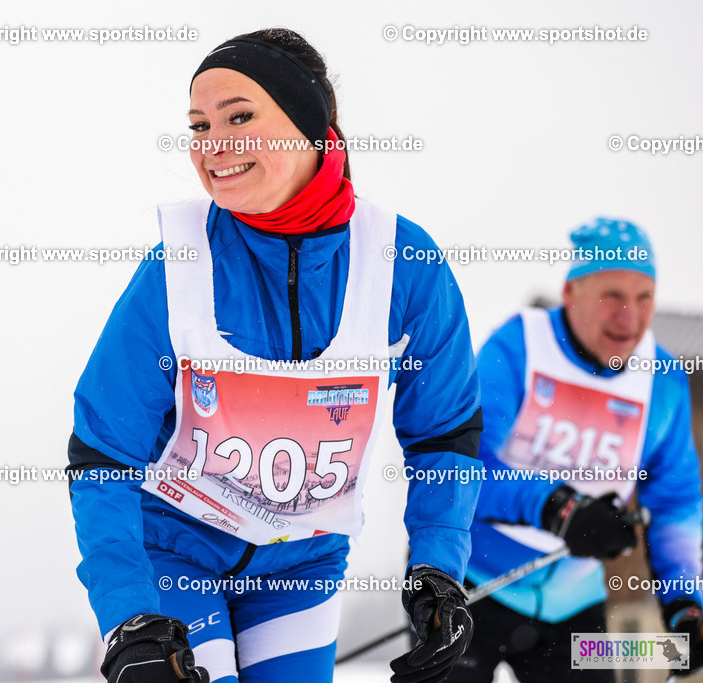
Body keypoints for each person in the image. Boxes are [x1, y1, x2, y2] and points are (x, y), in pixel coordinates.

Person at [67, 28, 484, 683]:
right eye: (200, 126)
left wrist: (437, 570)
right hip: (176, 549)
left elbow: (444, 434)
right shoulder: (180, 262)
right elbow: (101, 451)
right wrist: (131, 617)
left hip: (301, 562)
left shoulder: (403, 261)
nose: (214, 146)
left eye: (240, 117)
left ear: (311, 126)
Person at [455, 219, 703, 681]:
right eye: (612, 296)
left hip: (576, 602)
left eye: (644, 297)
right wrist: (560, 508)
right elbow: (464, 467)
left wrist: (685, 601)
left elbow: (675, 501)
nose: (629, 316)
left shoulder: (662, 381)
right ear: (571, 293)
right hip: (473, 583)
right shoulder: (519, 344)